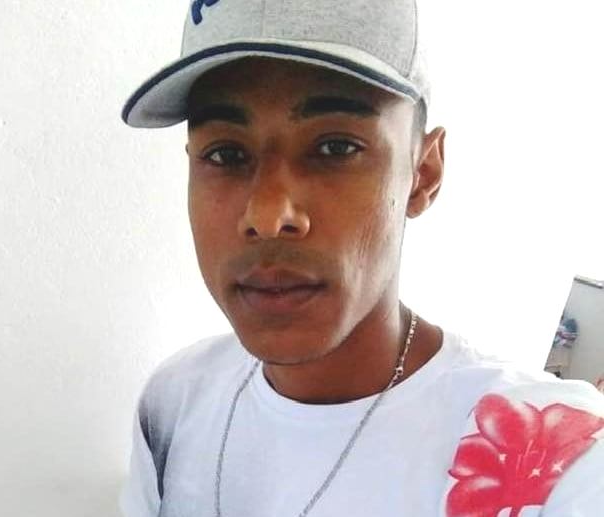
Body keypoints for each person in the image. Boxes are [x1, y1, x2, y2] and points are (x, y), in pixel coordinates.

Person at [118, 1, 604, 515]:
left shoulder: (558, 462)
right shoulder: (175, 401)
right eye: (225, 154)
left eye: (335, 148)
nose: (268, 215)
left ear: (423, 173)